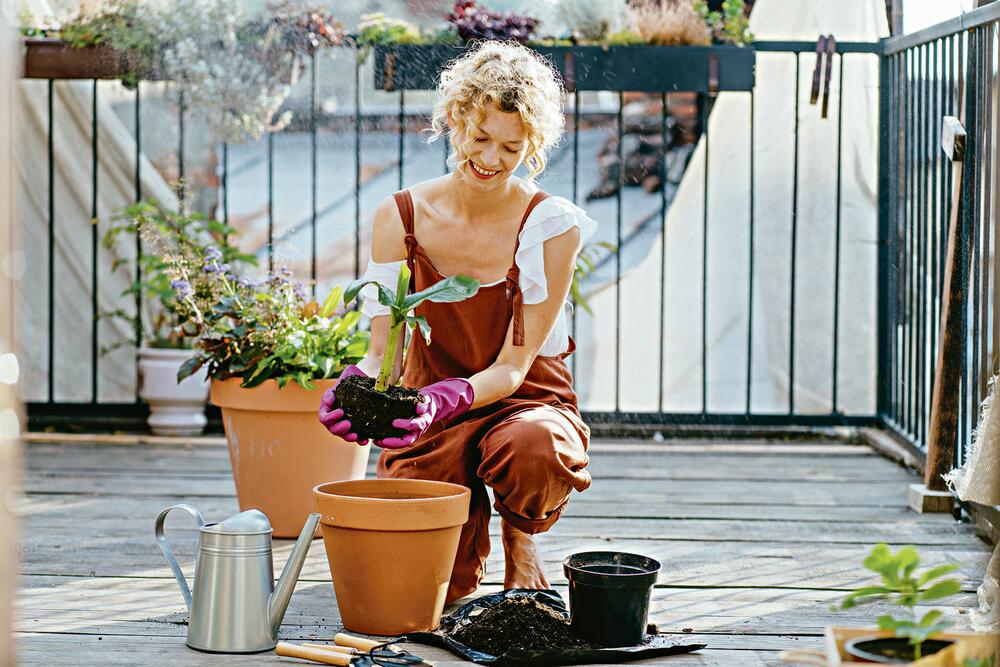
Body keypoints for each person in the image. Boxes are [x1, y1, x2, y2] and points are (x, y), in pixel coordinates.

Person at [318, 40, 597, 603]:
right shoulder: (402, 217)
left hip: (523, 400)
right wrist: (358, 383)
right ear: (454, 119)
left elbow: (516, 366)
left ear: (533, 147)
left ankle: (521, 539)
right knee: (437, 591)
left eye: (511, 147)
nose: (491, 159)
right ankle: (467, 540)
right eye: (480, 137)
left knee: (535, 448)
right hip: (429, 412)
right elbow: (384, 351)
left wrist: (449, 396)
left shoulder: (549, 226)